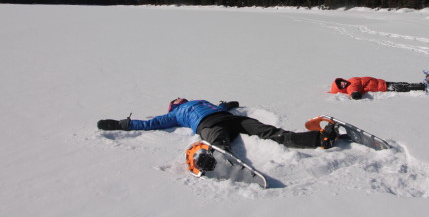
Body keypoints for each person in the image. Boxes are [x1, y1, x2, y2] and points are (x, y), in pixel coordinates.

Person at [96, 98, 337, 151]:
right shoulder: (176, 114)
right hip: (210, 124)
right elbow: (150, 124)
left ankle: (319, 139)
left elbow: (224, 105)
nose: (179, 100)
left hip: (231, 119)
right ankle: (217, 157)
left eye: (180, 99)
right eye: (176, 101)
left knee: (272, 133)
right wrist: (122, 124)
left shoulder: (203, 101)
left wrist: (228, 103)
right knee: (220, 143)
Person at [329, 74, 429, 99]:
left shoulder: (350, 81)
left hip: (382, 82)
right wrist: (354, 94)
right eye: (340, 85)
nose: (343, 83)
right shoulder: (350, 87)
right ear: (341, 89)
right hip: (382, 87)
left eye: (341, 82)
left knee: (403, 84)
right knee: (403, 88)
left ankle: (423, 85)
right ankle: (424, 87)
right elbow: (354, 91)